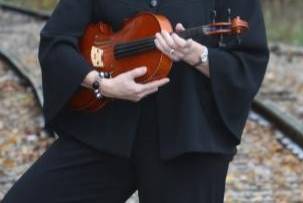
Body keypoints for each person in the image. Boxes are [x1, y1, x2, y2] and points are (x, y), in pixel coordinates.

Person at [2, 0, 269, 202]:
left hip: (189, 139)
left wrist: (198, 56)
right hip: (106, 132)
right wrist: (102, 84)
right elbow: (55, 43)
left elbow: (248, 62)